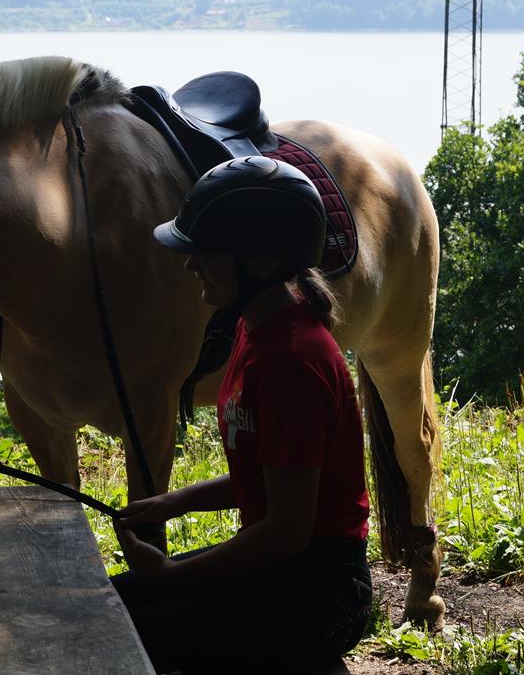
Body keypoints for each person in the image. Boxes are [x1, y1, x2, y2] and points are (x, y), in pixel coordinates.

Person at [111, 156, 373, 674]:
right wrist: (173, 502)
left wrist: (170, 575)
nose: (191, 265)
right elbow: (268, 474)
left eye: (205, 253)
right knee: (106, 601)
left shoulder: (293, 361)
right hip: (282, 570)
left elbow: (286, 531)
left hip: (316, 590)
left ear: (261, 265)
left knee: (116, 634)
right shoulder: (256, 331)